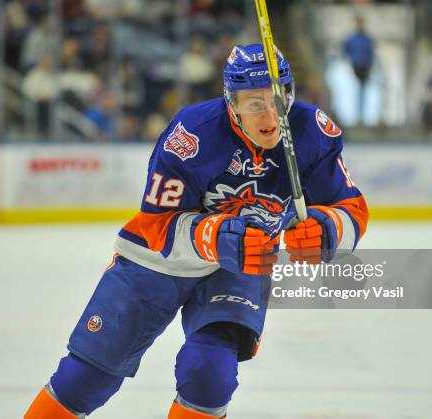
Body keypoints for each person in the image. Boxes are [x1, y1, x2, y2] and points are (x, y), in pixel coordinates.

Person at [25, 43, 369, 418]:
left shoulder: (312, 132)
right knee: (86, 376)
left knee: (209, 372)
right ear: (231, 102)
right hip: (157, 260)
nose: (271, 115)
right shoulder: (192, 135)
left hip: (240, 264)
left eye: (278, 97)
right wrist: (214, 237)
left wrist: (329, 230)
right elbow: (157, 223)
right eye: (255, 102)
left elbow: (350, 207)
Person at [343, 15, 375, 125]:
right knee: (355, 91)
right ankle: (355, 117)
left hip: (364, 67)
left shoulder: (367, 39)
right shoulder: (352, 39)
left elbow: (371, 53)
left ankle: (361, 117)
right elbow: (346, 51)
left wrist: (371, 66)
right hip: (355, 67)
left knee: (362, 92)